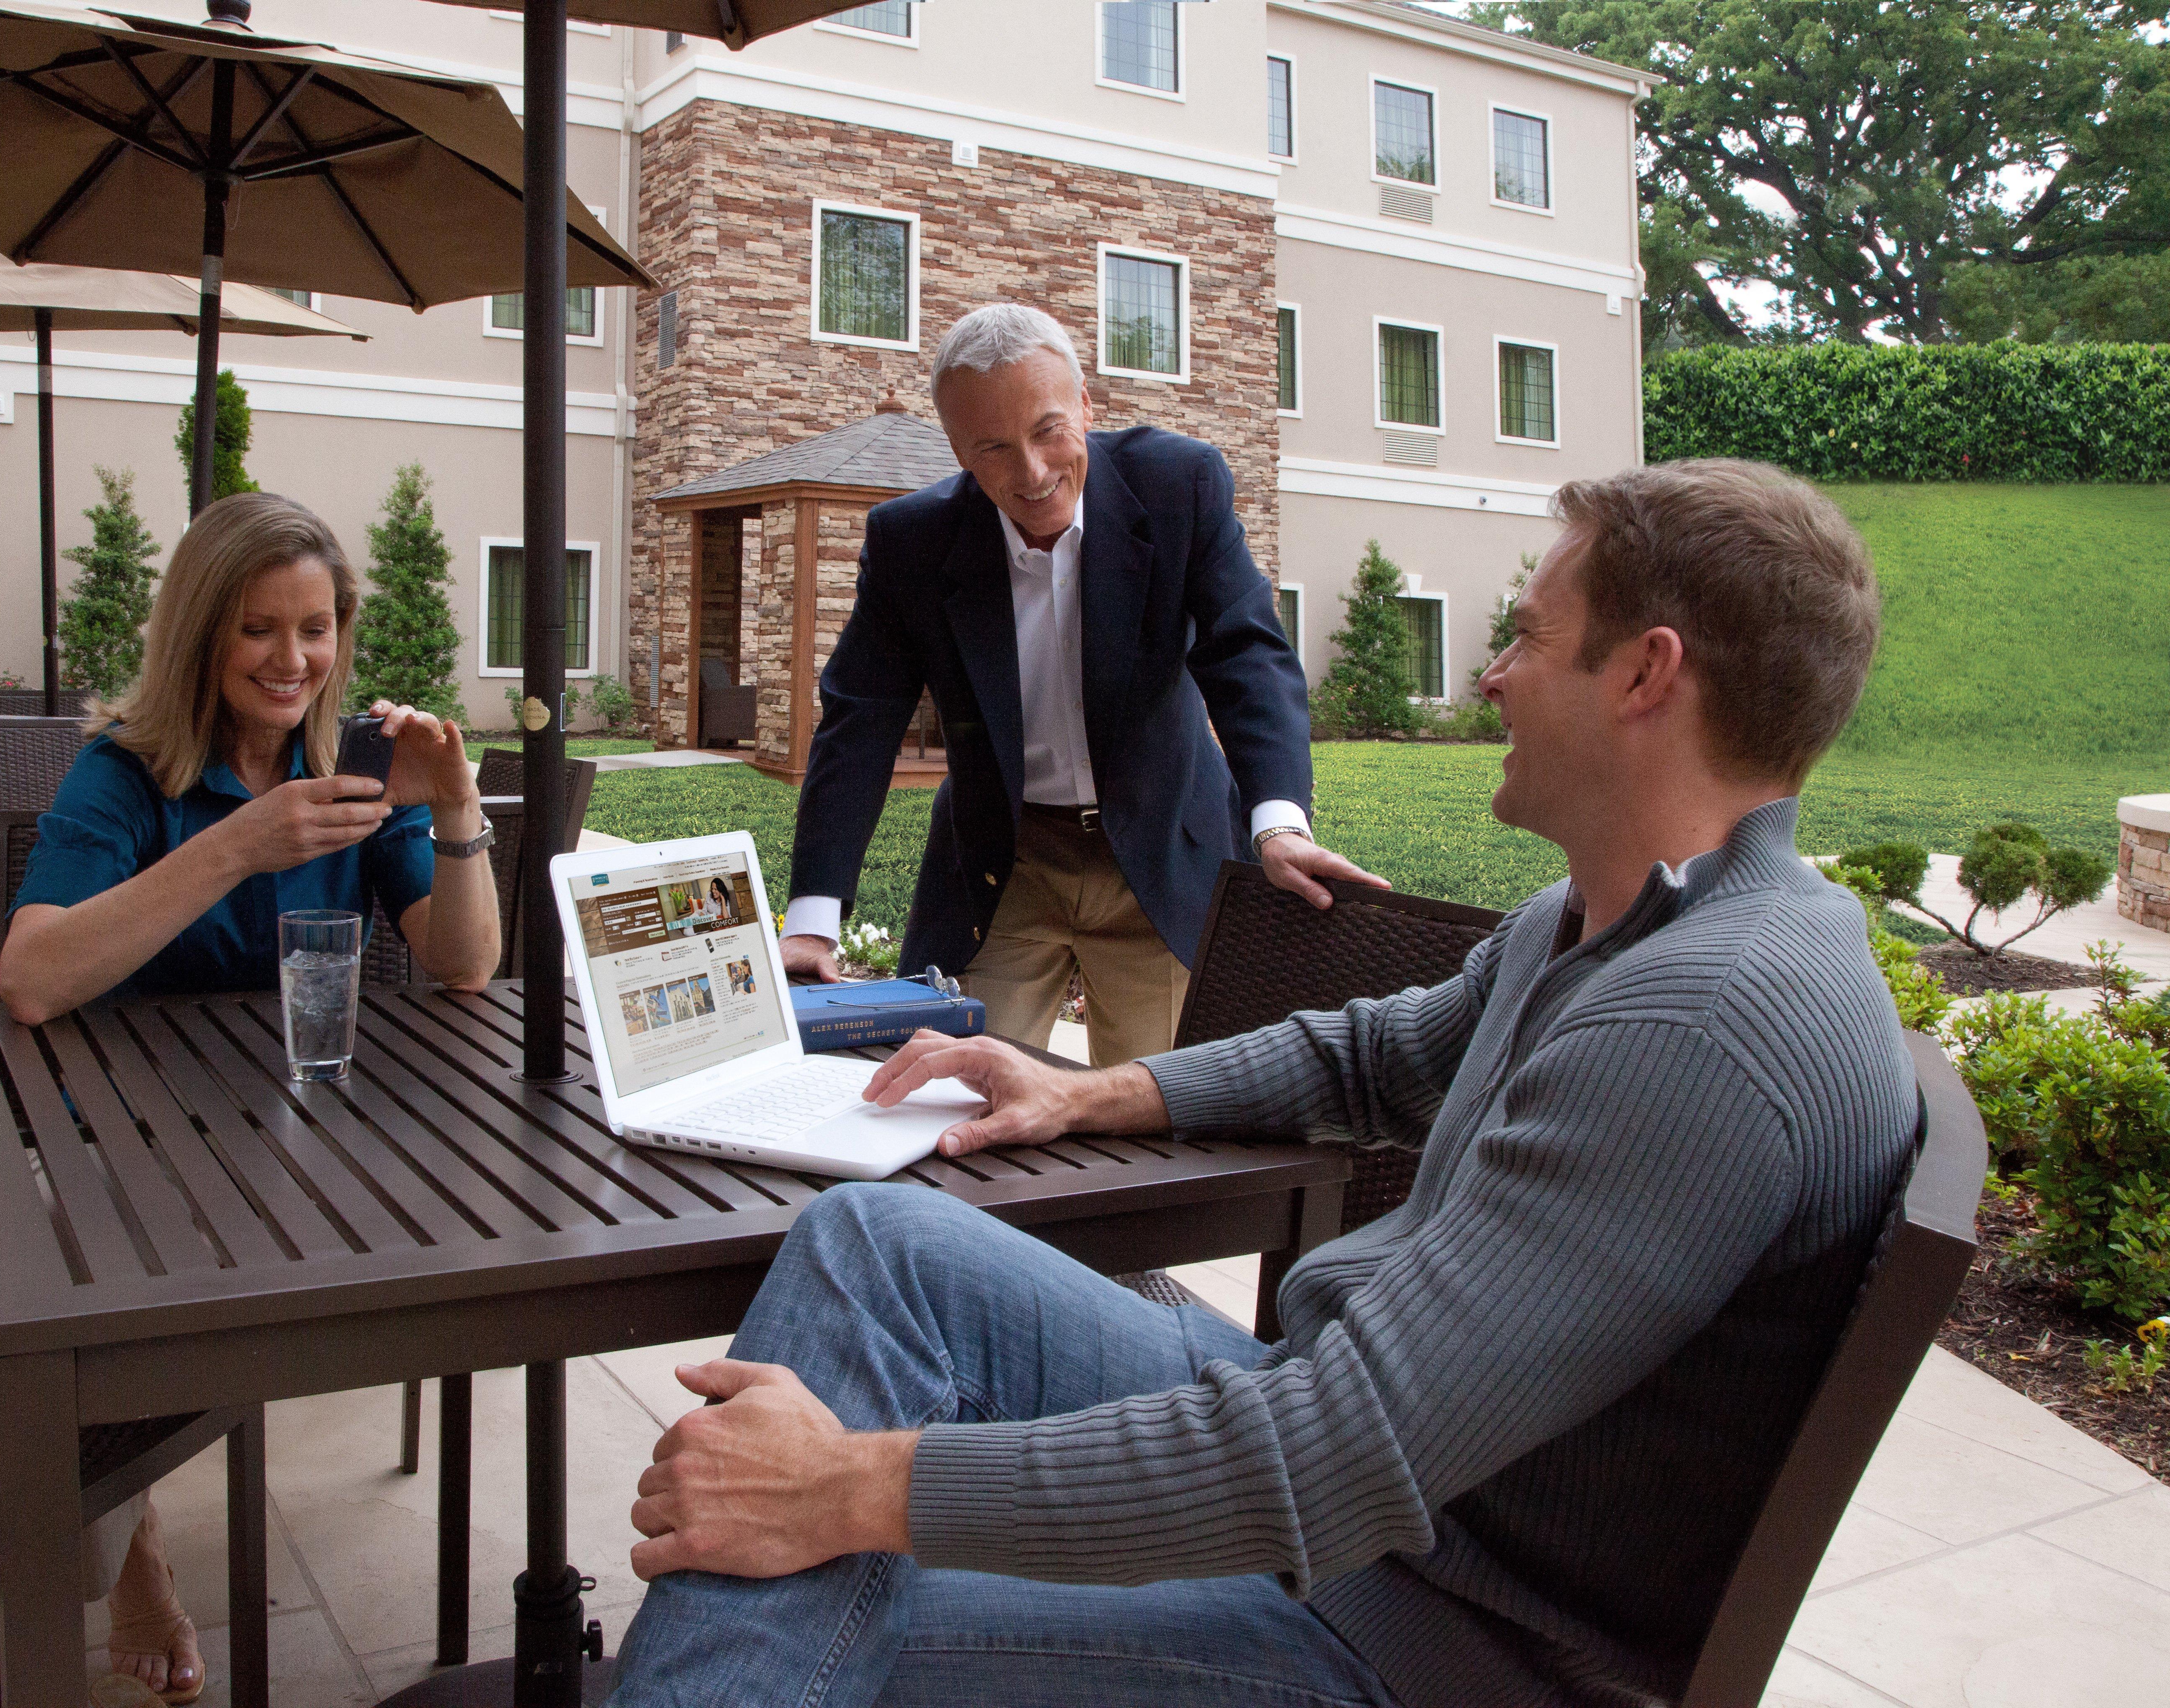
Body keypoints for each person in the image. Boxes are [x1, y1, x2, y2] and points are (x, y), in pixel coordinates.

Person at [606, 460, 1916, 1708]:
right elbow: (1368, 1057)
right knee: (873, 1241)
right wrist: (1084, 1093)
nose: (1494, 675)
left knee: (797, 1613)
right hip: (1354, 1492)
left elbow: (1331, 1459)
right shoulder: (1607, 919)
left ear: (1646, 672)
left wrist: (842, 1490)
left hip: (1423, 1632)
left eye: (1526, 633)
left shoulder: (1707, 1022)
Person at [0, 491, 504, 1701]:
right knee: (70, 1282)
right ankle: (136, 1544)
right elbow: (29, 977)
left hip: (296, 1122)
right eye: (261, 631)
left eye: (317, 629)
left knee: (463, 1231)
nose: (295, 661)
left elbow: (466, 963)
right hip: (128, 1129)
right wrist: (235, 845)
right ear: (202, 635)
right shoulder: (122, 774)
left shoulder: (350, 770)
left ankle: (143, 1477)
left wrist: (460, 806)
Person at [778, 303, 1378, 1067]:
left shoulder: (1179, 487)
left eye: (1048, 431)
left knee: (1147, 1114)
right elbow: (860, 721)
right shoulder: (912, 542)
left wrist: (1279, 823)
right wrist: (813, 918)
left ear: (1087, 407)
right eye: (992, 447)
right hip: (1007, 859)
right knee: (946, 1090)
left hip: (1161, 848)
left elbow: (1246, 655)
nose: (1031, 472)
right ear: (957, 449)